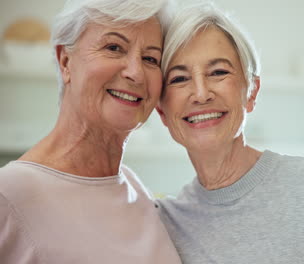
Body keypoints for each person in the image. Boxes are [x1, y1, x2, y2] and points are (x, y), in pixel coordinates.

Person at [155, 3, 304, 264]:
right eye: (179, 78)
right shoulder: (165, 223)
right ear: (162, 112)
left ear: (251, 92)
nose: (201, 93)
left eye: (218, 72)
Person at [0, 0, 181, 263]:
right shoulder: (9, 193)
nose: (136, 73)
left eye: (151, 58)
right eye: (114, 47)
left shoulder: (136, 190)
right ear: (65, 61)